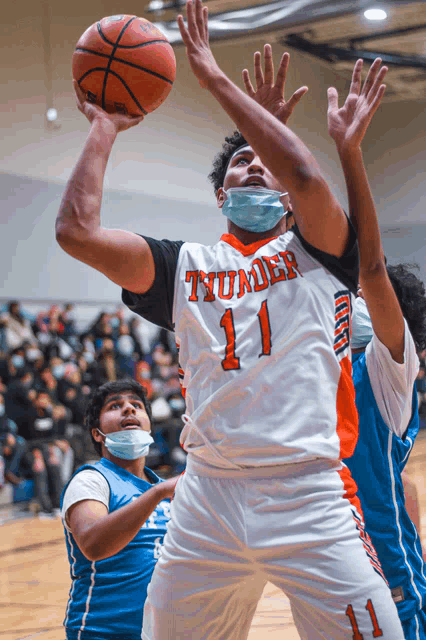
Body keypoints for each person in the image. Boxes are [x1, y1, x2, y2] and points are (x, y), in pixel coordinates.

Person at [55, 1, 404, 637]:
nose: (254, 165)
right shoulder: (184, 265)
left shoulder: (321, 251)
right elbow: (77, 233)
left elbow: (300, 168)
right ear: (221, 194)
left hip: (307, 494)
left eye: (262, 161)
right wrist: (104, 125)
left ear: (289, 203)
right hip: (207, 498)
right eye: (240, 162)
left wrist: (214, 79)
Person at [326, 57, 426, 637]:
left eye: (367, 299)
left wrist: (350, 154)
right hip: (335, 557)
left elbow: (371, 266)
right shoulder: (339, 363)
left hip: (389, 573)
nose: (357, 304)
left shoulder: (390, 368)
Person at [60, 379, 179, 640]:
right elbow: (93, 544)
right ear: (96, 433)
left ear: (149, 425)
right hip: (103, 632)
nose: (129, 409)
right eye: (115, 406)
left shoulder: (168, 489)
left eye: (136, 405)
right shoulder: (91, 480)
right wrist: (156, 494)